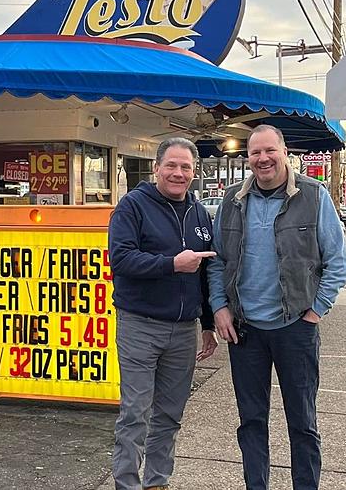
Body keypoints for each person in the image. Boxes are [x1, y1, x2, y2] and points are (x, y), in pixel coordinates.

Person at [207, 125, 346, 490]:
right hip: (245, 332)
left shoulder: (314, 196)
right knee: (251, 422)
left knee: (302, 423)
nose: (262, 159)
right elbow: (218, 261)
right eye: (255, 153)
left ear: (285, 152)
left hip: (295, 329)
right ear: (248, 158)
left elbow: (339, 263)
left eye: (269, 150)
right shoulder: (232, 200)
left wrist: (315, 312)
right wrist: (219, 307)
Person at [108, 137, 219, 490]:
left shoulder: (199, 213)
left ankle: (157, 482)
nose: (178, 172)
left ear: (194, 172)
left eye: (186, 166)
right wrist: (172, 264)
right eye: (171, 165)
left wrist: (208, 324)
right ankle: (126, 484)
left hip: (184, 330)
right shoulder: (132, 207)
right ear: (156, 168)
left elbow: (204, 273)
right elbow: (121, 259)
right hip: (140, 325)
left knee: (170, 416)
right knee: (135, 414)